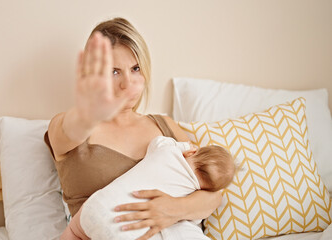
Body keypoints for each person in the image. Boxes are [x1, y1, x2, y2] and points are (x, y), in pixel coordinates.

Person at [44, 17, 222, 240]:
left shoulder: (164, 126)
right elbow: (71, 129)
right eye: (114, 71)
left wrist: (171, 209)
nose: (127, 84)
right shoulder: (70, 127)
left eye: (135, 68)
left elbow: (213, 196)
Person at [61, 136, 236, 240]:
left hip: (98, 205)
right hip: (125, 231)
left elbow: (157, 142)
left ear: (193, 152)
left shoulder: (169, 151)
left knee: (74, 231)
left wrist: (182, 147)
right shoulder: (192, 191)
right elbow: (195, 216)